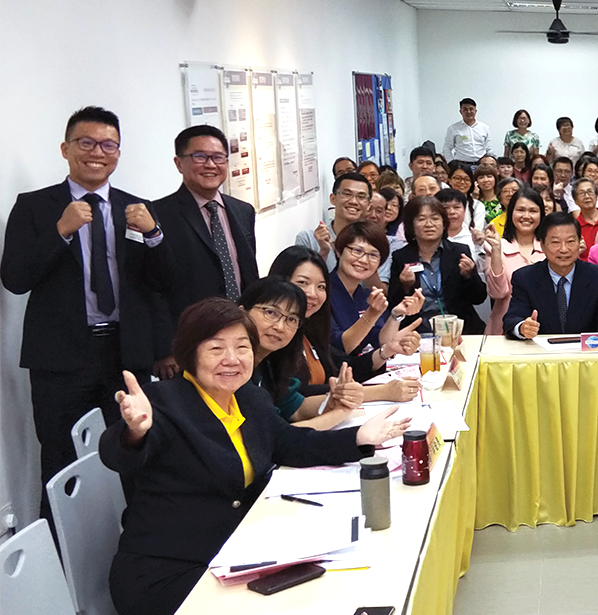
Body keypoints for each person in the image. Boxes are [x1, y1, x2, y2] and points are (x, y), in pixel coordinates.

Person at [99, 298, 409, 615]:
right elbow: (119, 455)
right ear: (190, 352)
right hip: (170, 573)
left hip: (236, 551)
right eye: (216, 349)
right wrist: (134, 431)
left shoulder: (248, 396)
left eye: (242, 347)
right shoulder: (163, 402)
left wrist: (359, 437)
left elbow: (289, 443)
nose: (232, 359)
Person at [2, 106, 172, 520]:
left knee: (130, 451)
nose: (97, 152)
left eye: (108, 144)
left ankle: (130, 541)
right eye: (86, 143)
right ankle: (61, 559)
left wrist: (153, 234)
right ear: (66, 149)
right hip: (60, 359)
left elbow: (163, 282)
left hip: (123, 354)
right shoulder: (34, 207)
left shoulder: (137, 208)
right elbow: (15, 278)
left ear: (118, 152)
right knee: (61, 461)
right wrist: (59, 231)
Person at [150, 125, 260, 379]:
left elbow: (248, 275)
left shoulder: (242, 211)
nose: (210, 164)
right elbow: (153, 289)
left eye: (218, 157)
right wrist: (165, 350)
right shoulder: (159, 215)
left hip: (238, 335)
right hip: (190, 343)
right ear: (179, 163)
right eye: (200, 157)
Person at [268, 246, 420, 386]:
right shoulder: (273, 333)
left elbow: (344, 365)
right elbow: (294, 399)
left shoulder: (310, 328)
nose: (312, 293)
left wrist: (387, 350)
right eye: (302, 283)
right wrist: (373, 393)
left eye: (320, 286)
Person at [237, 278, 365, 429]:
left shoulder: (270, 363)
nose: (280, 326)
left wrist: (333, 401)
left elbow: (296, 409)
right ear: (242, 311)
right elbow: (277, 437)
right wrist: (340, 413)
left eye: (291, 319)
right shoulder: (232, 368)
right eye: (271, 312)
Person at [503, 211, 598, 338]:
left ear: (579, 242)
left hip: (584, 353)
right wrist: (522, 327)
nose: (564, 249)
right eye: (555, 242)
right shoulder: (525, 278)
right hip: (542, 354)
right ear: (542, 245)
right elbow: (512, 319)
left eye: (570, 241)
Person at [388, 195, 489, 334]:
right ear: (411, 225)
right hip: (417, 333)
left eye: (435, 218)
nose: (429, 224)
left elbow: (479, 298)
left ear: (444, 223)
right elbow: (393, 305)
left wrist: (469, 275)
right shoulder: (401, 257)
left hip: (460, 331)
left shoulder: (459, 252)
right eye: (422, 219)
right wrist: (405, 286)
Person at [327, 221, 420, 355]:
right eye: (357, 251)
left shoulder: (366, 295)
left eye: (373, 255)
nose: (364, 260)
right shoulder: (323, 292)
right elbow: (341, 346)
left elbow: (380, 341)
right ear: (338, 251)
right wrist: (371, 314)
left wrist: (396, 315)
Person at [485, 187, 547, 336]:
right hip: (505, 330)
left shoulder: (550, 247)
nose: (526, 216)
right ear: (511, 212)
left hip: (545, 329)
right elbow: (498, 293)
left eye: (533, 211)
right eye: (520, 210)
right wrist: (496, 251)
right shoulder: (496, 246)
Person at [295, 172, 371, 271]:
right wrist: (323, 252)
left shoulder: (375, 242)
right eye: (347, 194)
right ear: (333, 199)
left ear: (369, 205)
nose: (353, 201)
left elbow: (379, 285)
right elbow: (301, 282)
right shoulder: (309, 239)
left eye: (361, 197)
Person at [435, 188, 485, 270]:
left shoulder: (474, 239)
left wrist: (479, 246)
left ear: (464, 211)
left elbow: (483, 271)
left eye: (456, 207)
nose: (451, 212)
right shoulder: (430, 238)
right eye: (445, 208)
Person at [445, 97, 492, 169]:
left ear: (475, 111)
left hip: (481, 164)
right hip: (461, 164)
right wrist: (451, 162)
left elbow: (489, 148)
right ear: (461, 112)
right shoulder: (453, 129)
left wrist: (491, 162)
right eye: (465, 109)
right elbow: (447, 148)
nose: (469, 112)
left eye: (471, 109)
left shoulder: (484, 128)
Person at [569, 177, 598, 259]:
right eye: (582, 193)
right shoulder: (573, 227)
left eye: (590, 192)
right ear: (575, 201)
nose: (587, 196)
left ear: (596, 196)